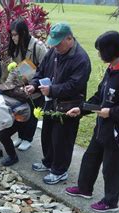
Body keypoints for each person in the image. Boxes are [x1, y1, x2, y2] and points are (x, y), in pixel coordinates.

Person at [64, 31, 119, 212]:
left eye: (100, 50)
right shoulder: (111, 68)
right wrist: (82, 108)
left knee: (112, 168)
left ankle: (111, 202)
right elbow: (100, 97)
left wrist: (111, 112)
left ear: (111, 50)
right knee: (90, 158)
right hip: (103, 128)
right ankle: (84, 189)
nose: (98, 54)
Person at [25, 22, 91, 185]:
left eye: (58, 44)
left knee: (62, 138)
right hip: (50, 101)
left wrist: (52, 90)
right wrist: (34, 85)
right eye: (53, 44)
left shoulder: (81, 59)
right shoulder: (53, 53)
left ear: (69, 39)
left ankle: (60, 170)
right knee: (47, 133)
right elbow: (41, 70)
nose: (55, 47)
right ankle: (48, 162)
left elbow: (74, 85)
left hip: (69, 105)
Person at [5, 18, 47, 151]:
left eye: (15, 35)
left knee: (32, 113)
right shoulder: (16, 47)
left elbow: (47, 68)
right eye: (11, 35)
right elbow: (15, 68)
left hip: (36, 87)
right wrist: (8, 85)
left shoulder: (38, 47)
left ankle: (28, 138)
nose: (13, 38)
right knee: (20, 111)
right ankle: (21, 136)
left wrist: (30, 76)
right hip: (21, 87)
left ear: (23, 33)